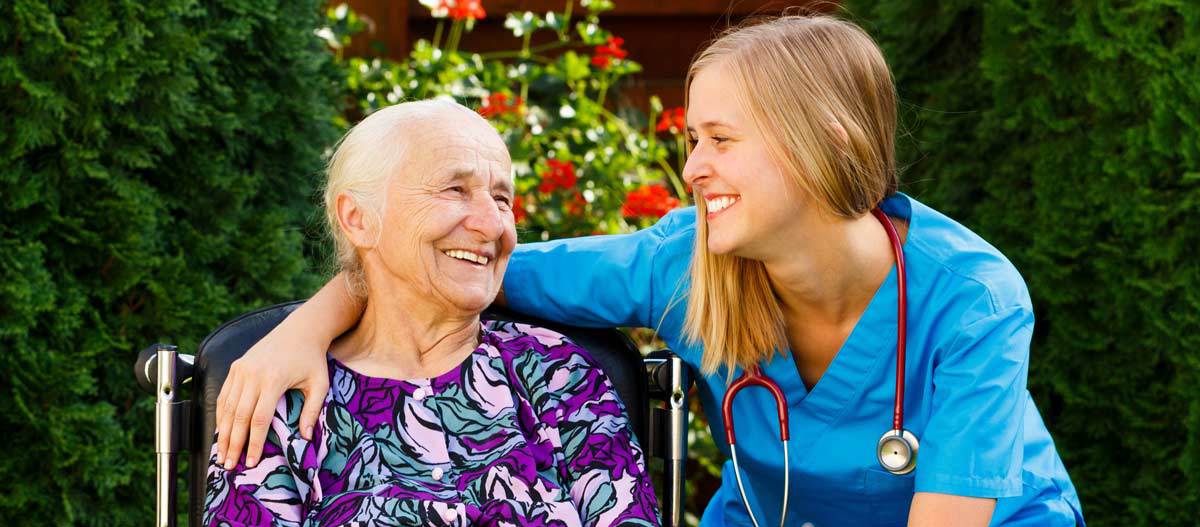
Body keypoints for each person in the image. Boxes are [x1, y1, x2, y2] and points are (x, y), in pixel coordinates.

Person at [214, 15, 1086, 527]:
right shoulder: (683, 262)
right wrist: (306, 322)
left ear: (832, 141)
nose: (694, 167)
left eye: (721, 140)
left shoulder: (972, 297)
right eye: (691, 140)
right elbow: (459, 265)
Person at [203, 100, 660, 527]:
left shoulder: (556, 373)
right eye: (454, 190)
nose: (492, 223)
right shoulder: (283, 400)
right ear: (358, 218)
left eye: (502, 199)